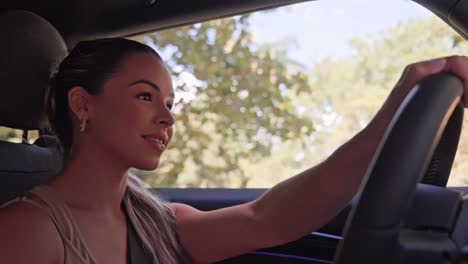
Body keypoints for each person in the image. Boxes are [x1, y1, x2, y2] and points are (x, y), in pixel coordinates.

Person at [1, 38, 468, 264]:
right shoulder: (24, 232)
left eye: (169, 103)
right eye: (145, 96)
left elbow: (267, 219)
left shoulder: (155, 219)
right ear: (83, 104)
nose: (167, 117)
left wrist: (391, 115)